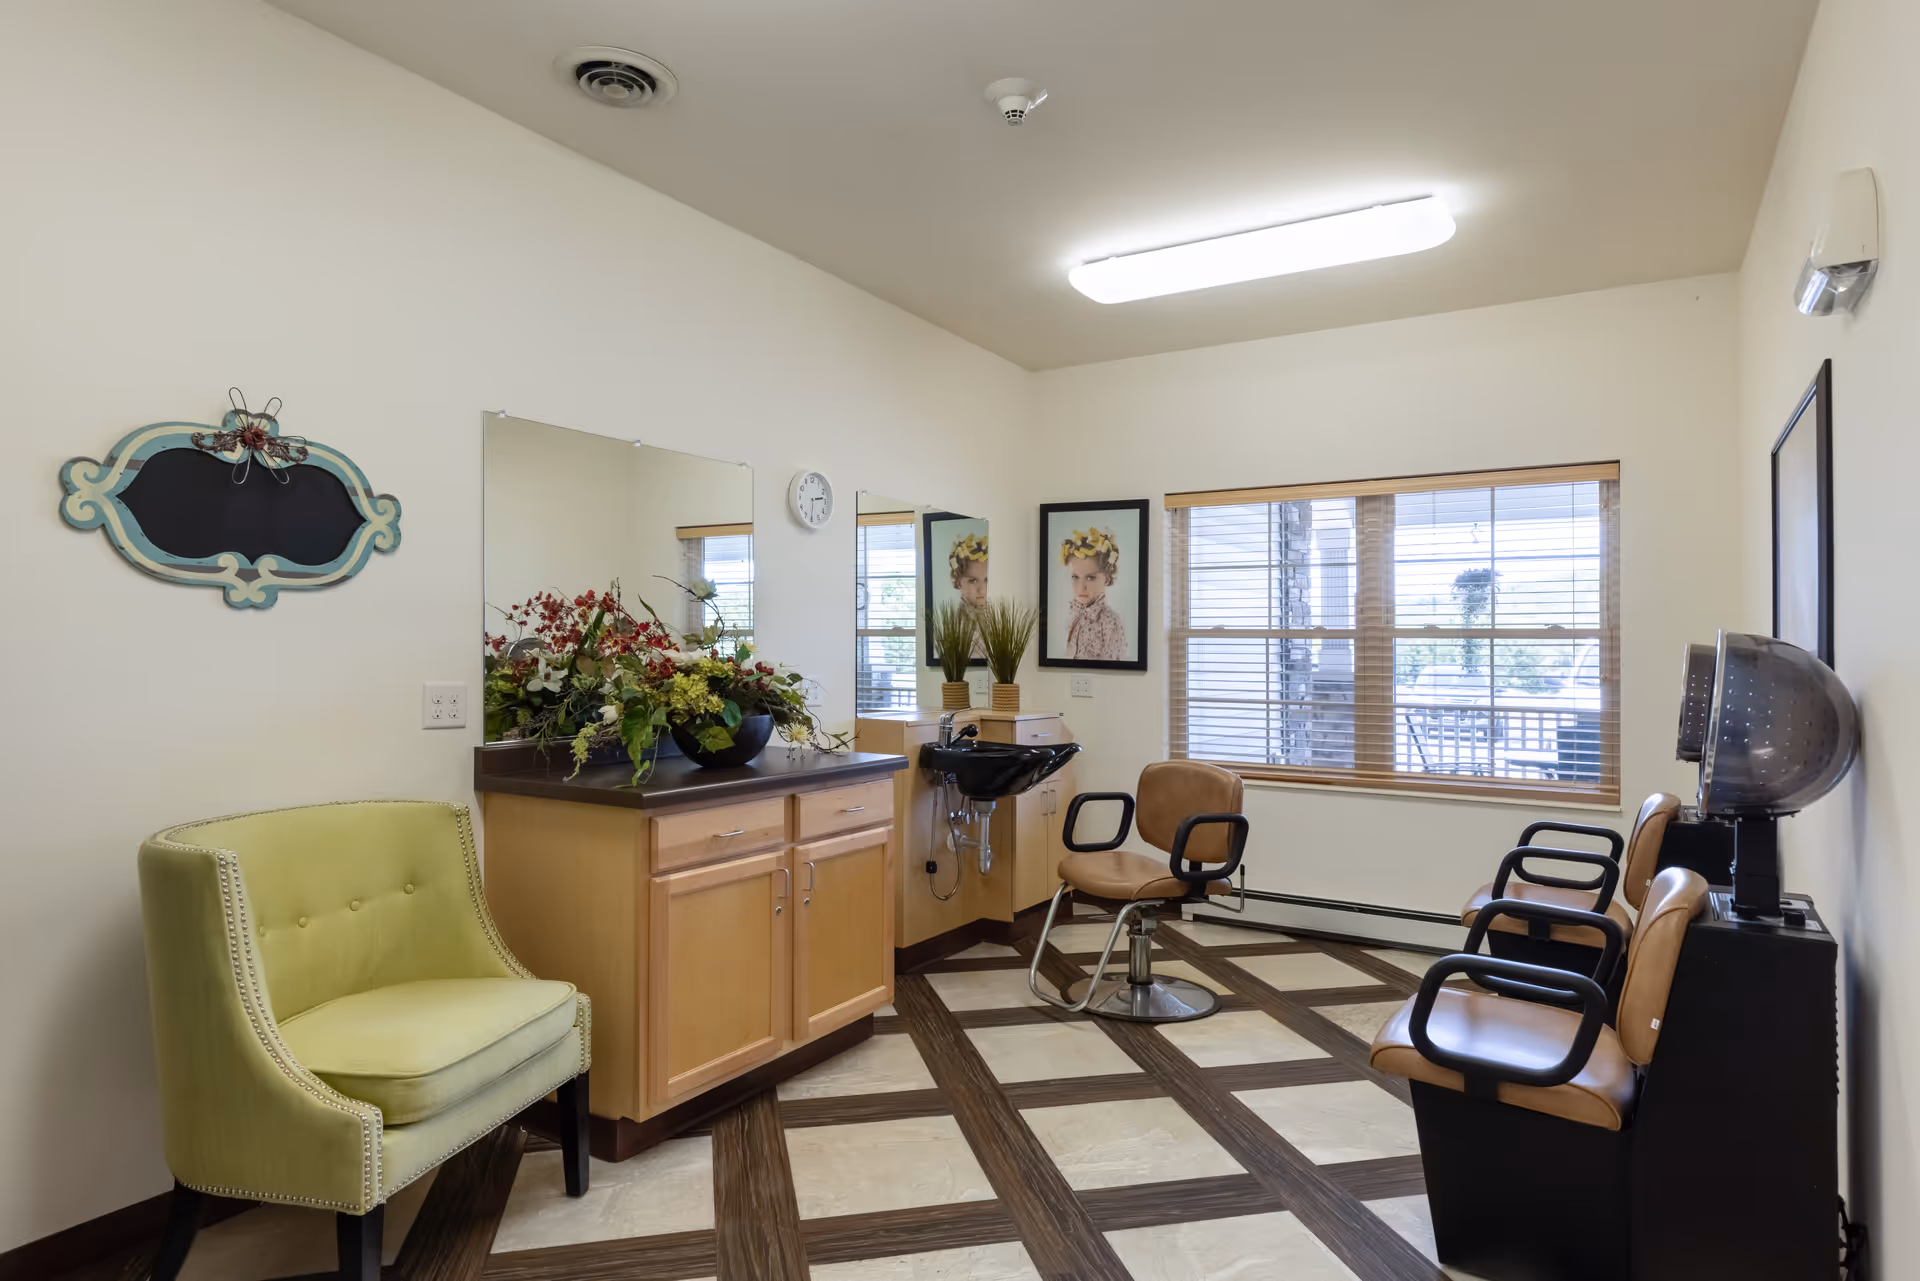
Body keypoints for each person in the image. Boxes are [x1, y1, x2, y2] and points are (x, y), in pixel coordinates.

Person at [1062, 527, 1127, 661]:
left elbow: (1113, 667)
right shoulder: (1073, 615)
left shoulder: (1110, 621)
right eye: (1075, 577)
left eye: (1090, 578)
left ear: (1107, 578)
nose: (1081, 587)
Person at [948, 531, 990, 658]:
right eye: (973, 581)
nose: (982, 590)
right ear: (958, 582)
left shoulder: (997, 618)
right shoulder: (954, 625)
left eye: (987, 580)